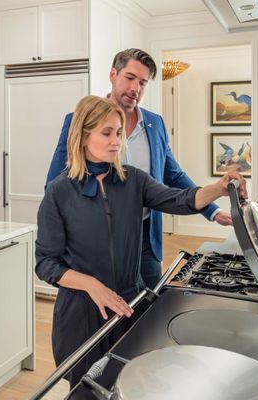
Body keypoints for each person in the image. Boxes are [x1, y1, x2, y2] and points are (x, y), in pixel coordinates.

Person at [36, 95, 247, 387]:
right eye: (106, 133)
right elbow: (46, 263)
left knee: (129, 383)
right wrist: (92, 285)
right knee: (85, 391)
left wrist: (218, 188)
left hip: (128, 305)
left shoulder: (133, 180)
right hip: (81, 316)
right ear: (83, 136)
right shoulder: (58, 192)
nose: (116, 141)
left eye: (118, 133)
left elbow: (180, 199)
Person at [46, 48, 233, 291]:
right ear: (113, 75)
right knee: (101, 303)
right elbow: (55, 183)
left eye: (143, 82)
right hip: (96, 238)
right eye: (130, 78)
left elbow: (173, 175)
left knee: (150, 302)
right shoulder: (78, 120)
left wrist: (212, 209)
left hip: (146, 234)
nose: (135, 88)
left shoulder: (155, 124)